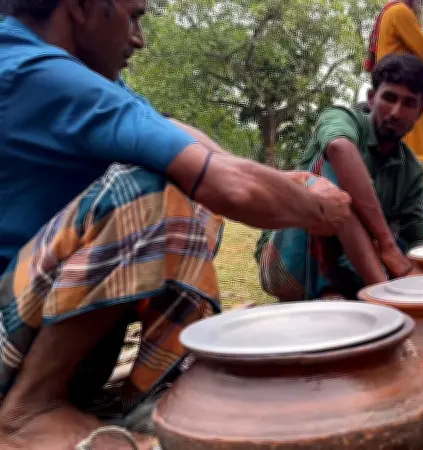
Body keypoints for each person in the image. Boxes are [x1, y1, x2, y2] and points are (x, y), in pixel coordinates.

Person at [0, 1, 352, 448]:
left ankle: (151, 388)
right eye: (132, 16)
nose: (138, 39)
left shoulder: (70, 74)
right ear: (82, 7)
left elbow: (172, 131)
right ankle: (30, 411)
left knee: (185, 187)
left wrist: (283, 182)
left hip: (29, 331)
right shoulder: (32, 72)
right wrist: (317, 210)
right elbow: (225, 185)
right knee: (152, 190)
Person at [259, 54, 423, 303]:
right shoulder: (341, 118)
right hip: (289, 262)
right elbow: (339, 148)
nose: (395, 111)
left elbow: (418, 238)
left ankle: (361, 292)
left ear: (420, 111)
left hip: (352, 272)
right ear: (372, 98)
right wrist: (386, 244)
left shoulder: (412, 170)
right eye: (389, 97)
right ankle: (383, 298)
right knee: (333, 178)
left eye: (408, 103)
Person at [364, 0, 423, 235]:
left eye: (408, 104)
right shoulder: (400, 11)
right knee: (421, 170)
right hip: (407, 89)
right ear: (372, 98)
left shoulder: (391, 13)